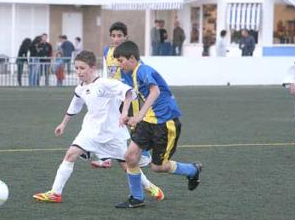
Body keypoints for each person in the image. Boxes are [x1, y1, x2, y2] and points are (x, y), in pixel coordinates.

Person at [32, 50, 164, 203]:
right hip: (90, 131)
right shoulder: (80, 88)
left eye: (82, 68)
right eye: (76, 68)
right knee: (70, 154)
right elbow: (74, 106)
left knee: (127, 165)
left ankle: (149, 186)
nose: (79, 72)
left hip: (112, 133)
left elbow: (129, 92)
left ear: (92, 67)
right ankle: (55, 193)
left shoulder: (105, 83)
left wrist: (124, 112)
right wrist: (63, 123)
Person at [113, 40, 203, 208]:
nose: (120, 64)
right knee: (130, 157)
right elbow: (129, 94)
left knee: (158, 167)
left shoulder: (143, 70)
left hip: (165, 122)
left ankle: (192, 170)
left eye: (121, 60)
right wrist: (125, 113)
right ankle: (137, 198)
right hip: (148, 122)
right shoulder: (128, 73)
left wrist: (139, 115)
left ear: (132, 58)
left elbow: (155, 91)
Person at [96, 21, 152, 169]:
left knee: (134, 124)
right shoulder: (106, 50)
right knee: (107, 123)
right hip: (113, 95)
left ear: (126, 37)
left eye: (119, 36)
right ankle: (105, 158)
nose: (116, 39)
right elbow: (109, 71)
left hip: (129, 94)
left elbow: (141, 68)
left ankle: (145, 154)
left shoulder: (129, 53)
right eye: (113, 36)